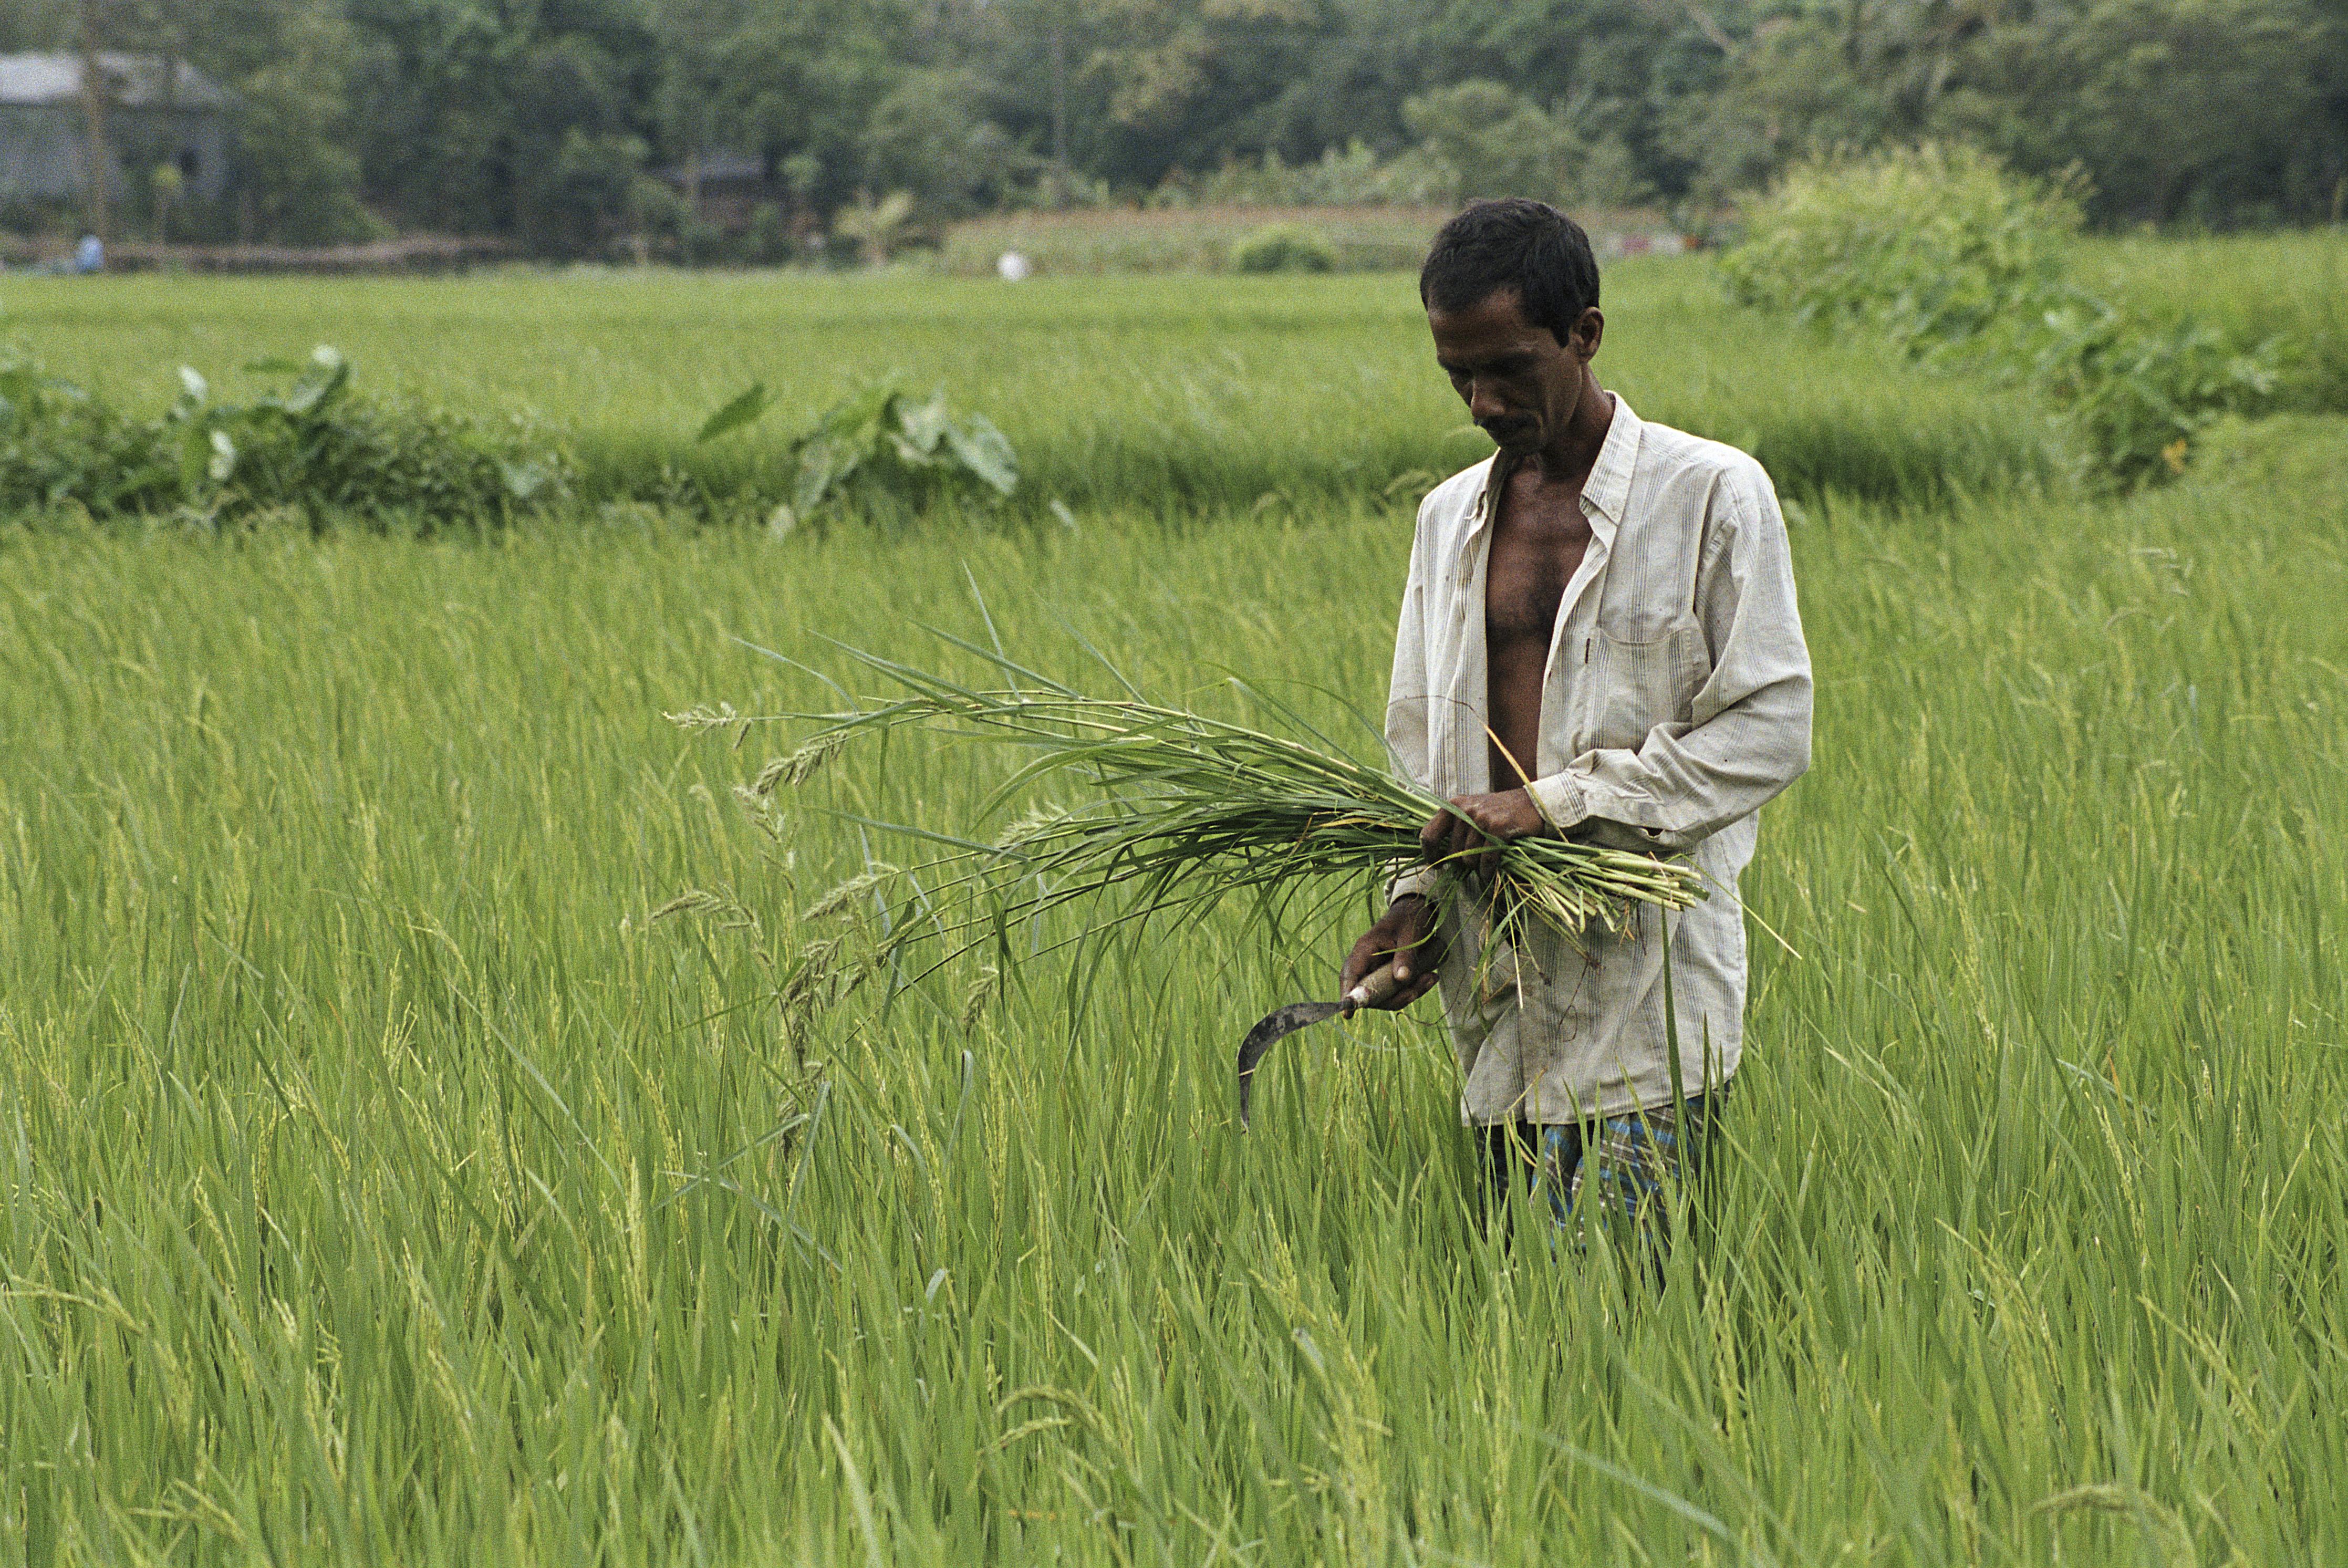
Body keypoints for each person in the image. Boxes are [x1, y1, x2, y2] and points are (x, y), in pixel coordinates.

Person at [1341, 198, 1812, 1255]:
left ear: (1585, 333)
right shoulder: (1446, 520)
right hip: (1498, 997)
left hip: (1647, 993)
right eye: (1457, 373)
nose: (1479, 401)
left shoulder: (1712, 496)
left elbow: (1771, 725)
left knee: (1619, 1314)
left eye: (1507, 367)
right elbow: (1422, 745)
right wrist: (1413, 899)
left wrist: (1555, 804)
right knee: (1522, 1319)